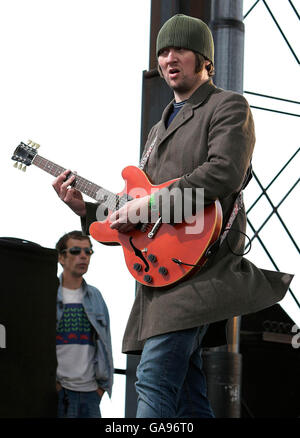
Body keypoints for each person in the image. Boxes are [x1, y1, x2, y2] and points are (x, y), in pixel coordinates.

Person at [52, 14, 293, 418]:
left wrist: (145, 206)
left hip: (203, 268)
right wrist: (88, 210)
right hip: (163, 273)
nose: (168, 58)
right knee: (186, 394)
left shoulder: (228, 106)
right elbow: (142, 209)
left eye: (179, 49)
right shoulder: (157, 130)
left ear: (204, 59)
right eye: (163, 51)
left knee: (154, 377)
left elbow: (223, 173)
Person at [55, 230, 113, 418]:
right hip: (58, 391)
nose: (83, 256)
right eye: (76, 251)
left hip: (91, 394)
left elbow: (106, 343)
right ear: (61, 258)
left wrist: (101, 388)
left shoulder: (95, 296)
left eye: (87, 252)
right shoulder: (48, 292)